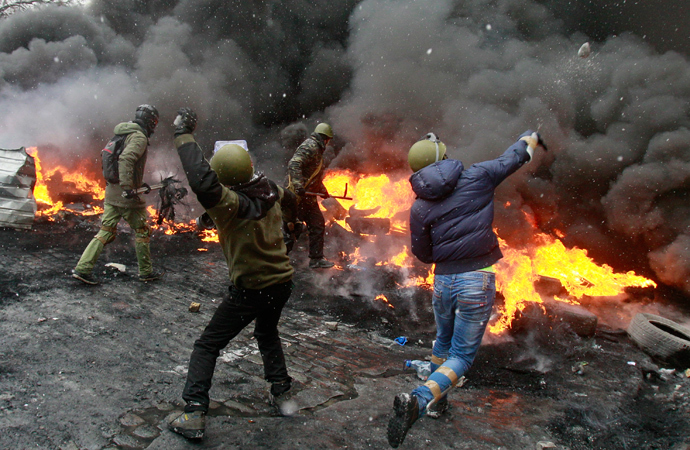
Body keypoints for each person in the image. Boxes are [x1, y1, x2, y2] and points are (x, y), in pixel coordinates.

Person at [386, 130, 546, 448]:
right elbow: (512, 158)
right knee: (461, 356)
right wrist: (530, 141)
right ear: (443, 157)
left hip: (444, 280)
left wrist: (444, 255)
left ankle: (437, 404)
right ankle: (418, 401)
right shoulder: (478, 177)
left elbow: (422, 252)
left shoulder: (419, 207)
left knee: (443, 341)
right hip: (476, 278)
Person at [167, 108, 298, 440]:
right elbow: (288, 199)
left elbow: (203, 182)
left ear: (223, 177)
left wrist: (183, 135)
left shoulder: (226, 203)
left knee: (207, 345)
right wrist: (292, 227)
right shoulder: (271, 190)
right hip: (282, 282)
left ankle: (194, 411)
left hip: (250, 289)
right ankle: (283, 395)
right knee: (267, 334)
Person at [72, 104, 162, 285]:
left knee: (105, 231)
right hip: (126, 196)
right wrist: (129, 186)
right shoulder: (138, 137)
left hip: (112, 192)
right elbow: (126, 158)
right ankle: (146, 272)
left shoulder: (122, 133)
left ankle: (83, 268)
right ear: (150, 121)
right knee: (142, 231)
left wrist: (135, 183)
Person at [286, 122, 335, 269]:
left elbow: (313, 175)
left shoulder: (317, 149)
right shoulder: (310, 146)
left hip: (309, 198)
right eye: (328, 139)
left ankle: (316, 259)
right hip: (298, 197)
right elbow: (293, 164)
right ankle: (276, 259)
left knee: (317, 224)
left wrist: (323, 190)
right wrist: (298, 186)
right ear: (325, 138)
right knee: (293, 229)